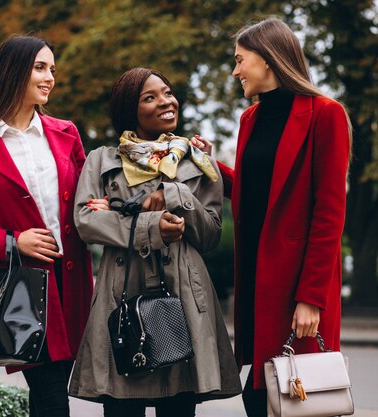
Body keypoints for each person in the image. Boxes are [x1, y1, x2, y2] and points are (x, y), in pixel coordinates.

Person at [191, 17, 352, 416]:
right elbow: (252, 191)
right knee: (262, 394)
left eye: (240, 60)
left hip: (298, 284)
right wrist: (208, 165)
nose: (235, 70)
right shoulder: (251, 119)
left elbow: (329, 212)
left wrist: (311, 298)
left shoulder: (325, 114)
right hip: (259, 279)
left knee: (297, 395)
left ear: (267, 60)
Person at [0, 35, 105, 417]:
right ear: (14, 71)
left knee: (53, 387)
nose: (50, 77)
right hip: (22, 286)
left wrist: (104, 205)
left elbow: (86, 199)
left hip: (72, 279)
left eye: (52, 69)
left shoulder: (67, 133)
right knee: (49, 389)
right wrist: (13, 242)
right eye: (40, 68)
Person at [68, 67, 242, 417]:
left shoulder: (197, 161)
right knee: (120, 405)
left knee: (179, 404)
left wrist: (175, 193)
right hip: (123, 292)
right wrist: (151, 228)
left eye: (167, 92)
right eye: (150, 97)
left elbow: (209, 235)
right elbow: (86, 220)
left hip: (184, 296)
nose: (166, 102)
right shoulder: (101, 159)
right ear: (129, 110)